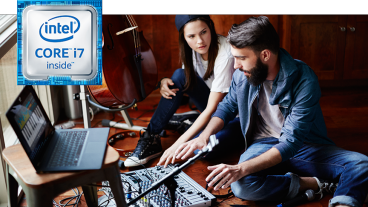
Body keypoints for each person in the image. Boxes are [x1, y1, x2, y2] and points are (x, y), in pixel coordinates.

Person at [173, 16, 368, 207]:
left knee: (361, 164)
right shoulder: (242, 75)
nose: (236, 65)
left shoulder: (304, 79)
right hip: (264, 143)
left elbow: (290, 144)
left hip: (304, 146)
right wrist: (204, 136)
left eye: (241, 58)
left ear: (265, 55)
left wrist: (240, 168)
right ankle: (314, 183)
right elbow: (227, 107)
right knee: (240, 185)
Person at [124, 14, 244, 167]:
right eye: (191, 36)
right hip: (211, 108)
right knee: (178, 76)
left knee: (201, 151)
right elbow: (184, 81)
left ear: (211, 28)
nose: (199, 41)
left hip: (233, 117)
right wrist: (164, 82)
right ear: (184, 38)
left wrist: (177, 145)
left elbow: (212, 109)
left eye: (203, 32)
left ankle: (190, 122)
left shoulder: (225, 54)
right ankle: (151, 137)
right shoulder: (191, 50)